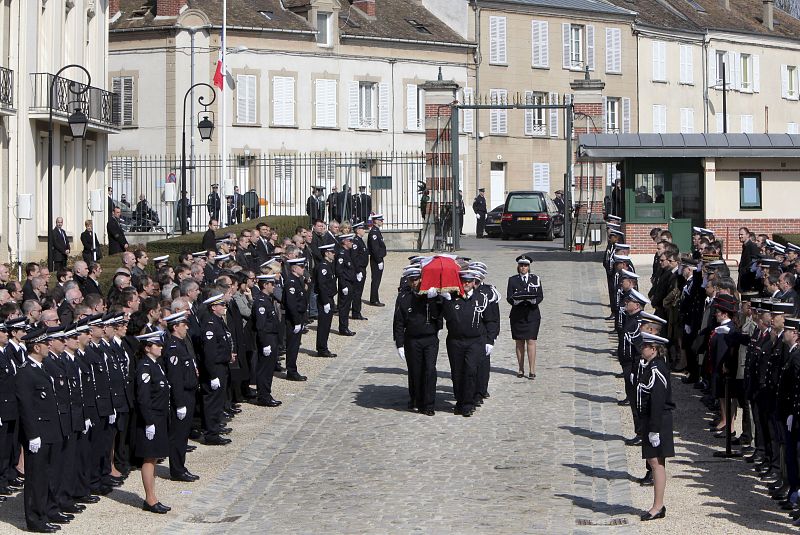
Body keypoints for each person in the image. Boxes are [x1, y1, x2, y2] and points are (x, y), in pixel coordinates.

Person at [16, 327, 63, 533]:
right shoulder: (26, 372)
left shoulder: (42, 367)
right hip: (38, 433)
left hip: (50, 430)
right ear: (36, 346)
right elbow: (26, 406)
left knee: (48, 475)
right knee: (36, 478)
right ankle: (35, 519)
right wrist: (32, 434)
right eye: (45, 344)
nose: (48, 346)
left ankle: (47, 511)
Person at [636, 332, 675, 521]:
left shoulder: (656, 368)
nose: (641, 348)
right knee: (655, 462)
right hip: (653, 420)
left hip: (658, 420)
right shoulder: (650, 365)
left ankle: (658, 506)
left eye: (644, 346)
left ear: (653, 349)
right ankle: (658, 504)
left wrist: (654, 429)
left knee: (656, 463)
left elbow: (658, 401)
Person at [393, 266, 443, 415]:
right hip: (412, 339)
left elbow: (438, 315)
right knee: (415, 372)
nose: (414, 283)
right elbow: (399, 322)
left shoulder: (430, 295)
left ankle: (429, 405)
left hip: (429, 338)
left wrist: (434, 299)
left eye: (416, 279)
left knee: (429, 370)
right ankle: (417, 400)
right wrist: (399, 343)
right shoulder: (404, 297)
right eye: (411, 280)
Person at [132, 331, 171, 513]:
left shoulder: (155, 365)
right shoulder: (145, 367)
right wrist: (149, 421)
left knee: (154, 458)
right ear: (148, 348)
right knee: (149, 458)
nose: (161, 347)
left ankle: (152, 496)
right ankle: (150, 498)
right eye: (157, 345)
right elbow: (143, 398)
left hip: (159, 417)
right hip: (152, 418)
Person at [163, 311, 200, 482]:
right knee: (178, 435)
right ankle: (177, 469)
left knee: (183, 434)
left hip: (189, 393)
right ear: (175, 327)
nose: (186, 327)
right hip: (182, 395)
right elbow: (175, 378)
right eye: (183, 324)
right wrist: (179, 404)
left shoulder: (180, 344)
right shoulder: (173, 348)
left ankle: (180, 465)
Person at [506, 255, 543, 379]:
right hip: (518, 314)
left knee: (531, 341)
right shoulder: (512, 280)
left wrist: (533, 301)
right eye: (521, 265)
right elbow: (509, 297)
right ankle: (521, 369)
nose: (523, 267)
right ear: (518, 266)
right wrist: (516, 301)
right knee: (519, 342)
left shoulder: (535, 279)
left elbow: (540, 296)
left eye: (525, 265)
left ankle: (532, 370)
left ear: (529, 267)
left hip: (532, 314)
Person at [252, 275, 283, 404]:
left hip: (272, 337)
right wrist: (265, 343)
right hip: (267, 338)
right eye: (272, 284)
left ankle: (266, 394)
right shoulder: (261, 301)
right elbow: (260, 325)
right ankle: (264, 396)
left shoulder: (267, 299)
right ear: (265, 285)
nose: (274, 286)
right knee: (265, 368)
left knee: (269, 368)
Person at [283, 258, 309, 381]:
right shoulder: (291, 282)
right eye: (301, 267)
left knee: (295, 345)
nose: (303, 269)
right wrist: (297, 322)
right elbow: (291, 304)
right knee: (292, 346)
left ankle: (292, 369)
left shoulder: (297, 280)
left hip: (299, 317)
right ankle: (291, 371)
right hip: (293, 319)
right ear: (294, 268)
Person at [314, 244, 338, 358]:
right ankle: (322, 349)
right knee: (323, 325)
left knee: (327, 325)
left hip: (329, 297)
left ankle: (324, 347)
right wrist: (325, 302)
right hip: (325, 299)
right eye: (332, 252)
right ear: (326, 253)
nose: (334, 254)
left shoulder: (328, 265)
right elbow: (322, 285)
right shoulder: (323, 267)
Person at [335, 234, 357, 336]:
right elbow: (339, 271)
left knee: (347, 305)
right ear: (345, 242)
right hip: (346, 283)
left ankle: (345, 326)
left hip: (350, 282)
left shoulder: (348, 252)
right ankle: (343, 328)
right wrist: (343, 285)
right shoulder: (341, 253)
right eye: (350, 241)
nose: (352, 243)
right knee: (344, 307)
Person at [351, 222, 369, 321]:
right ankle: (356, 312)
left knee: (359, 291)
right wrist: (358, 271)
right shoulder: (356, 241)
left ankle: (357, 311)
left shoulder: (360, 240)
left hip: (362, 268)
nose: (364, 231)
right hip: (359, 269)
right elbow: (354, 257)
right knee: (357, 292)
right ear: (357, 230)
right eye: (362, 229)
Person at [368, 215, 387, 307]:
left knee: (377, 280)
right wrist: (379, 260)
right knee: (376, 280)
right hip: (376, 259)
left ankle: (375, 298)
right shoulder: (374, 232)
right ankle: (374, 299)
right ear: (375, 221)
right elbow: (375, 248)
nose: (382, 221)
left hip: (378, 258)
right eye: (380, 220)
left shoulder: (377, 231)